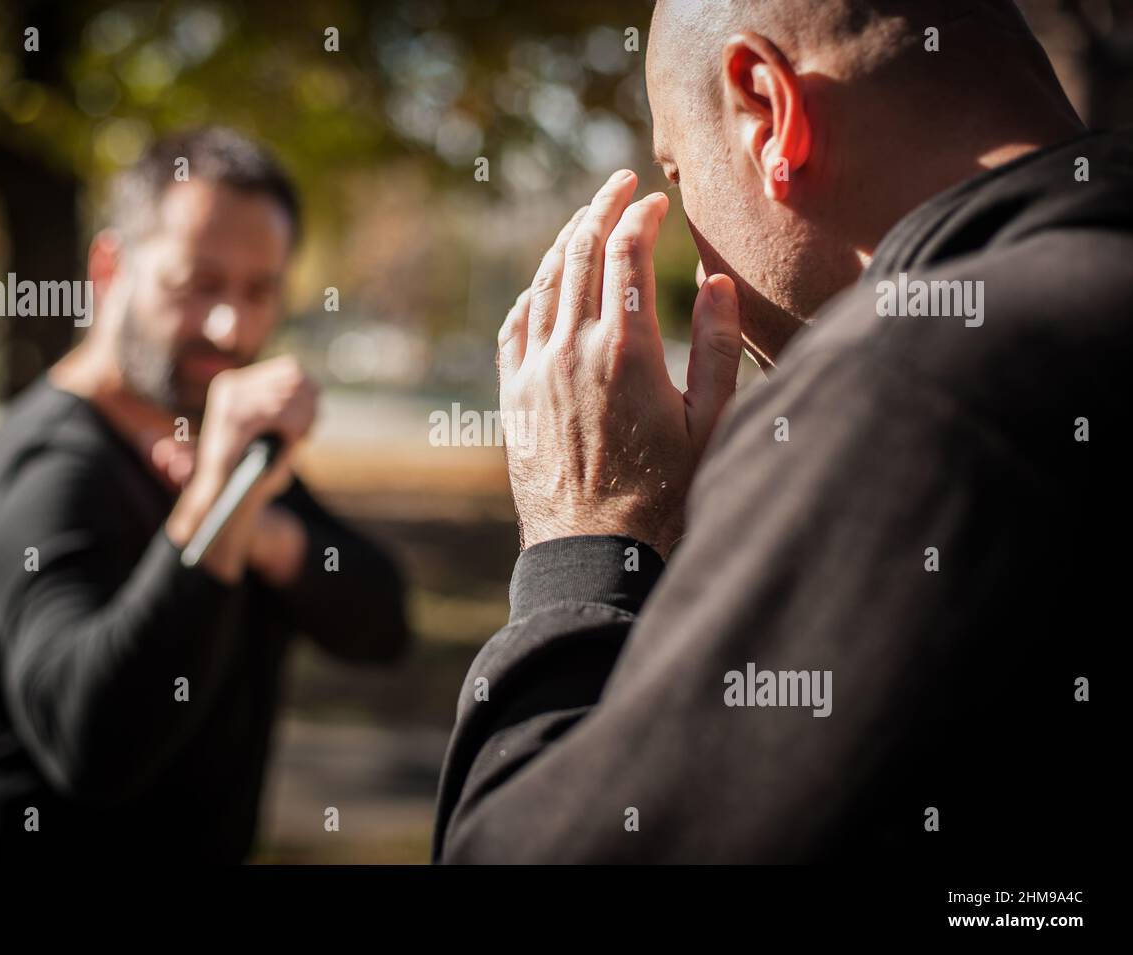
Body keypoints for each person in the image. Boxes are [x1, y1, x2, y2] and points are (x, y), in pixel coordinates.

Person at [434, 0, 1124, 862]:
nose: (693, 235)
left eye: (678, 174)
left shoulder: (914, 389)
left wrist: (584, 538)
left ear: (767, 111)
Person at [0, 127, 411, 863]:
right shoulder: (44, 470)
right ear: (110, 269)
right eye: (197, 285)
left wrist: (267, 534)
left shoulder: (214, 442)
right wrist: (216, 512)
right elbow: (91, 745)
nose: (232, 325)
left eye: (260, 290)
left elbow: (383, 622)